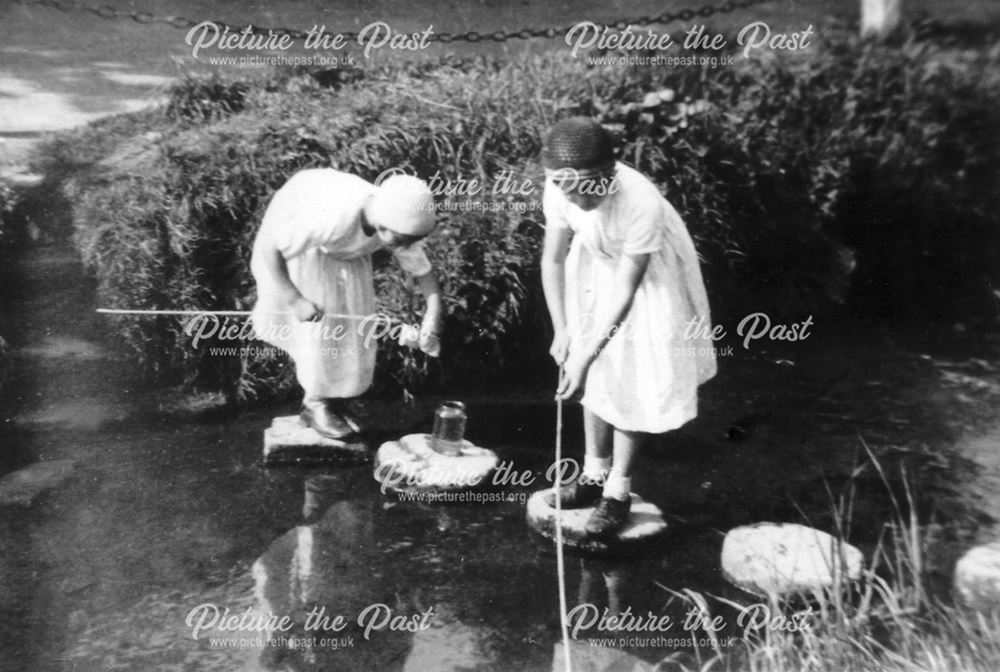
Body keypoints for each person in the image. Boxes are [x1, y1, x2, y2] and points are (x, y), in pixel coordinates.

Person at [540, 117, 717, 536]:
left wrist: (584, 356)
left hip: (648, 279)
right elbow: (552, 259)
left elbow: (626, 289)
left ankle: (618, 491)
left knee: (632, 373)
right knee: (595, 374)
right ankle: (593, 475)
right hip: (599, 262)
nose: (581, 198)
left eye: (591, 187)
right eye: (571, 190)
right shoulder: (559, 189)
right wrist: (563, 330)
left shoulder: (641, 203)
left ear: (609, 173)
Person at [251, 169, 442, 439]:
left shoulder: (397, 219)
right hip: (304, 252)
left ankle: (337, 400)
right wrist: (295, 299)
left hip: (348, 258)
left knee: (354, 329)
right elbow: (269, 248)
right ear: (384, 226)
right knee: (320, 334)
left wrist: (432, 315)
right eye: (403, 241)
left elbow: (423, 272)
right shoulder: (332, 218)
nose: (407, 246)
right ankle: (315, 404)